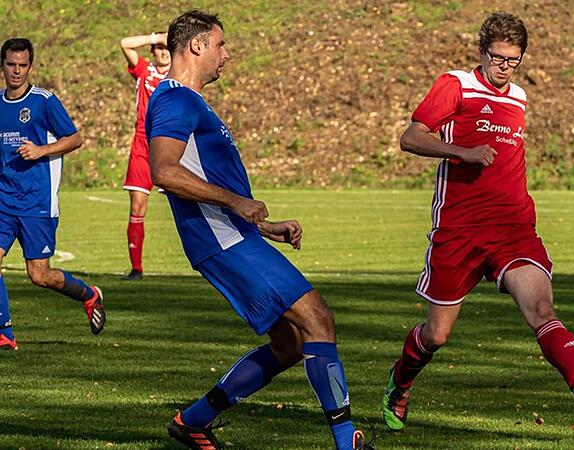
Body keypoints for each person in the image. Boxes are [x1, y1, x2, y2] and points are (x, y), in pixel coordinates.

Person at [146, 10, 371, 450]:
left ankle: (193, 421)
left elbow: (207, 178)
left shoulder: (190, 102)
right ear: (196, 46)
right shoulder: (175, 99)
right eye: (220, 44)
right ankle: (347, 441)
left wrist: (263, 225)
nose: (225, 55)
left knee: (289, 344)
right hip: (221, 240)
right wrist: (237, 203)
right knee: (317, 317)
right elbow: (164, 171)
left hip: (233, 237)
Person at [380, 12, 574, 431]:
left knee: (541, 308)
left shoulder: (520, 97)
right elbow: (410, 137)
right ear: (481, 52)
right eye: (498, 58)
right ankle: (400, 384)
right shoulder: (456, 85)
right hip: (460, 231)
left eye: (513, 59)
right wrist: (464, 153)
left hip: (513, 229)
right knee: (436, 336)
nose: (504, 67)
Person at [0, 38, 106, 351]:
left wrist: (41, 151)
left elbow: (74, 139)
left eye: (22, 65)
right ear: (2, 65)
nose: (16, 71)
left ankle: (89, 295)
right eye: (10, 64)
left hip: (37, 202)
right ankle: (4, 332)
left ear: (30, 66)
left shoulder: (44, 101)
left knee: (40, 275)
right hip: (4, 202)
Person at [118, 30, 171, 281]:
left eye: (167, 48)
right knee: (138, 206)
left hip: (169, 145)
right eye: (158, 48)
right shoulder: (145, 70)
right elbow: (125, 44)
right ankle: (136, 268)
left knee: (184, 204)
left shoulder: (179, 76)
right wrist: (155, 37)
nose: (162, 52)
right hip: (141, 145)